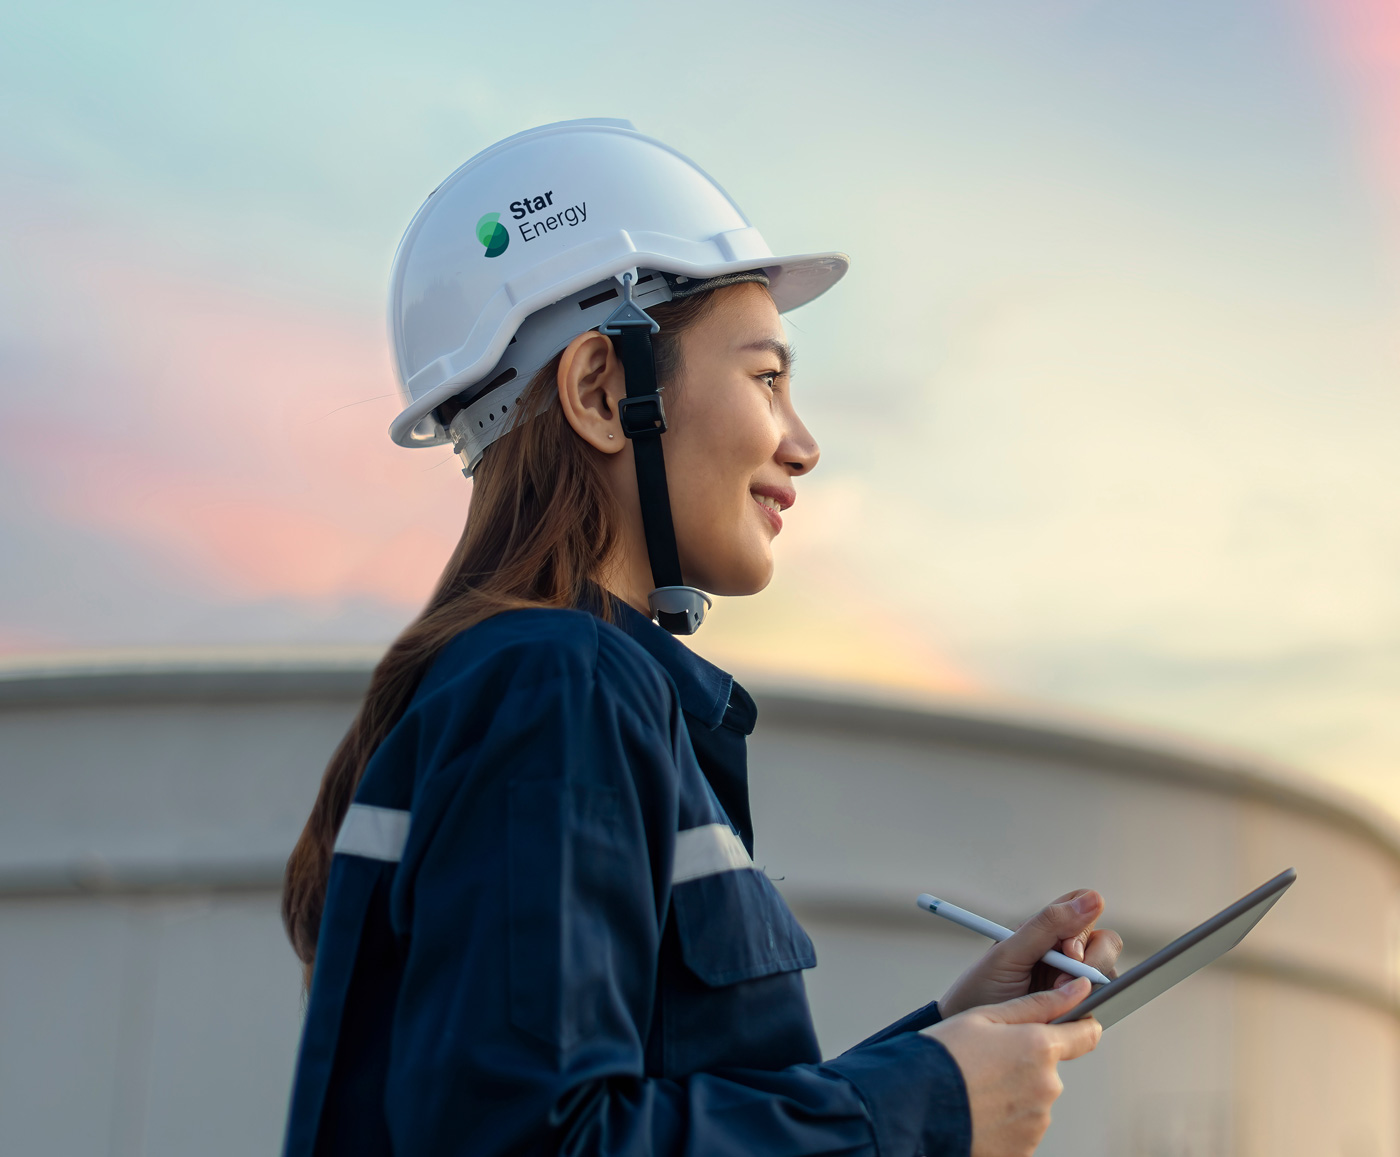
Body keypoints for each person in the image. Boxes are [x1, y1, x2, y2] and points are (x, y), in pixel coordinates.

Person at [279, 119, 1122, 1157]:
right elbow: (533, 1143)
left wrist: (944, 1043)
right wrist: (924, 1103)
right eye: (767, 377)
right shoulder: (556, 687)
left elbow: (625, 1106)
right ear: (600, 390)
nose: (803, 444)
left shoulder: (545, 689)